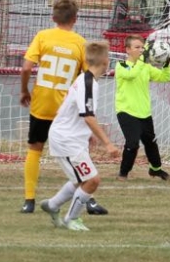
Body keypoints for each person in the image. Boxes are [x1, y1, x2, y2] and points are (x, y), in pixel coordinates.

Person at [18, 0, 106, 216]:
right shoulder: (80, 43)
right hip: (66, 110)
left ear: (53, 17)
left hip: (42, 103)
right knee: (78, 151)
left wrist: (24, 90)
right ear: (75, 19)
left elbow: (26, 67)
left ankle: (29, 200)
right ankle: (89, 200)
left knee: (35, 149)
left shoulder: (43, 36)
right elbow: (87, 76)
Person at [39, 41, 122, 232]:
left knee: (80, 180)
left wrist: (87, 134)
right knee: (92, 180)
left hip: (71, 137)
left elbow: (76, 111)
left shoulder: (86, 81)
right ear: (105, 61)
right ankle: (72, 219)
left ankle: (52, 205)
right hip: (66, 139)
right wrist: (108, 143)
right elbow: (88, 116)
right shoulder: (87, 83)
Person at [115, 34, 170, 180]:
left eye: (142, 47)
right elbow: (131, 75)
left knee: (150, 143)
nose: (141, 50)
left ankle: (156, 169)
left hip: (144, 112)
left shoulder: (145, 67)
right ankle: (123, 174)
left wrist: (167, 62)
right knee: (133, 143)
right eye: (137, 47)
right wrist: (142, 60)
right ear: (128, 49)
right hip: (126, 111)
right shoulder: (121, 65)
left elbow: (165, 77)